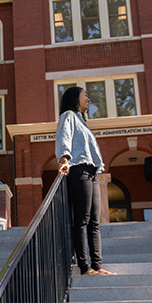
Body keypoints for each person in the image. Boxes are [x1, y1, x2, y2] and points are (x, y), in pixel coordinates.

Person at [55, 86, 114, 276]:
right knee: (82, 220)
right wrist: (64, 160)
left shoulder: (82, 121)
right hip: (79, 169)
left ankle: (97, 265)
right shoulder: (69, 116)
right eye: (85, 95)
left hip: (92, 171)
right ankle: (84, 267)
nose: (88, 99)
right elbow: (64, 139)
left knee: (94, 222)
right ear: (75, 97)